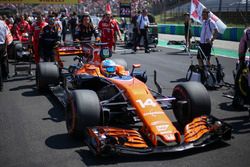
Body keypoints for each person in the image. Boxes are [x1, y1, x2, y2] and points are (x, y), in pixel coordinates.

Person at [0, 19, 13, 91]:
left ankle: (1, 84)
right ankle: (5, 75)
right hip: (2, 45)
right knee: (3, 60)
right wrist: (6, 46)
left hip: (2, 44)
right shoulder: (3, 24)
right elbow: (8, 36)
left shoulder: (3, 23)